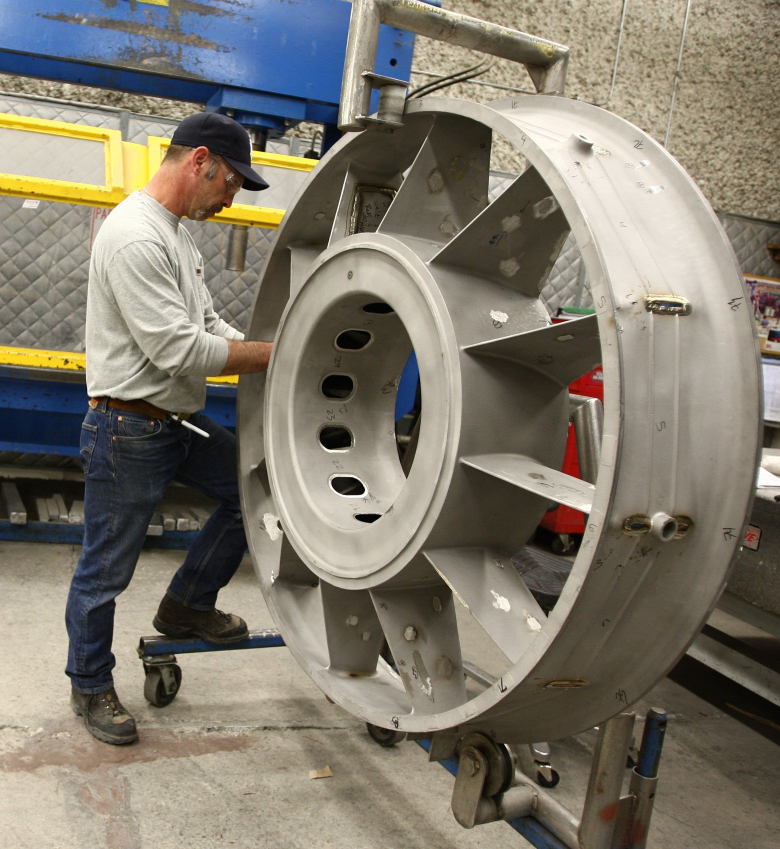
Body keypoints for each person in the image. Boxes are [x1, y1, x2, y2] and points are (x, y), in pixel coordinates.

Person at [65, 112, 274, 745]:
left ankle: (187, 607)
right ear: (200, 161)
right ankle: (90, 682)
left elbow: (210, 326)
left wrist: (275, 349)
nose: (231, 197)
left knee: (250, 491)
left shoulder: (177, 234)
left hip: (176, 420)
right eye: (232, 182)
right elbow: (177, 351)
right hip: (127, 428)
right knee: (107, 569)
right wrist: (272, 354)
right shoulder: (135, 236)